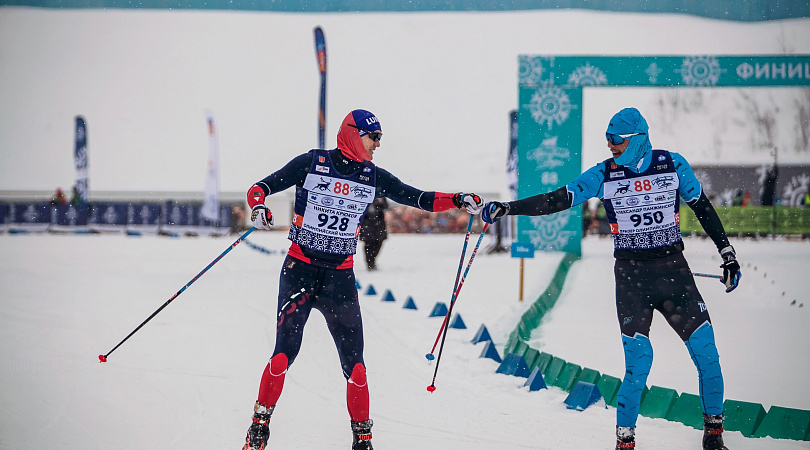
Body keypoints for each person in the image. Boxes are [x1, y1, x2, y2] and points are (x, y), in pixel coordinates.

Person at [481, 108, 741, 450]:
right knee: (639, 364)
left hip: (674, 275)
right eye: (607, 139)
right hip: (633, 279)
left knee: (707, 355)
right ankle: (625, 442)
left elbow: (703, 208)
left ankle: (714, 434)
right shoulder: (604, 174)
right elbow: (557, 199)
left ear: (637, 139)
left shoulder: (673, 165)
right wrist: (509, 207)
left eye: (616, 140)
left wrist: (727, 253)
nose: (610, 146)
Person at [241, 109, 483, 450]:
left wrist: (457, 199)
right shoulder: (312, 162)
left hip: (339, 280)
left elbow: (420, 198)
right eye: (375, 137)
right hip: (300, 272)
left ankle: (362, 441)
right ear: (354, 133)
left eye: (380, 138)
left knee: (356, 368)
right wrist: (258, 208)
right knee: (283, 356)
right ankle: (259, 428)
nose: (378, 145)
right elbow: (260, 188)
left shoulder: (373, 176)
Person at [359, 197, 389, 271]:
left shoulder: (381, 196)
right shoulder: (364, 196)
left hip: (378, 225)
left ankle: (372, 260)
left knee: (378, 243)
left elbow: (386, 206)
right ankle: (369, 262)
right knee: (368, 244)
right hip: (367, 224)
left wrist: (380, 201)